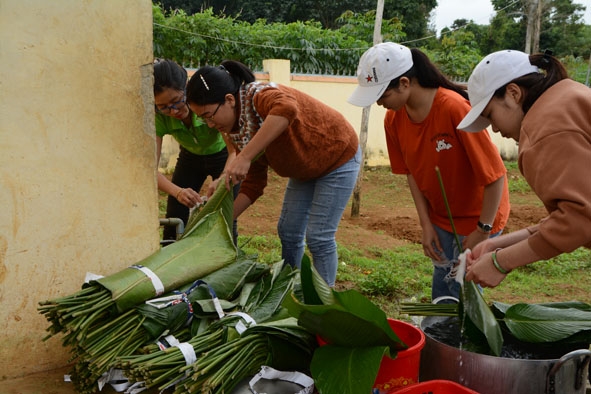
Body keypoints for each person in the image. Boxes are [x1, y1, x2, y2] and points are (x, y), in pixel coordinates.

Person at [348, 42, 510, 301]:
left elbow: (495, 175)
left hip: (478, 218)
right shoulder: (394, 119)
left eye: (382, 96)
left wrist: (483, 230)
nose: (378, 103)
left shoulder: (453, 108)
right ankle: (440, 337)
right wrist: (426, 224)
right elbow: (411, 173)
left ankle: (463, 341)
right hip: (440, 218)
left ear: (404, 83)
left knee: (464, 291)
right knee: (443, 280)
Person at [185, 60, 361, 286]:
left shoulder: (259, 94)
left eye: (210, 115)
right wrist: (222, 220)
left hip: (337, 157)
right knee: (288, 231)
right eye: (203, 119)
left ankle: (323, 303)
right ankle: (286, 286)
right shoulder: (235, 130)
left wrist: (244, 156)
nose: (209, 124)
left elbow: (287, 108)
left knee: (318, 237)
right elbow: (254, 184)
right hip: (305, 169)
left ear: (229, 100)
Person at [458, 49, 591, 288]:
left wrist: (501, 262)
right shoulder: (567, 96)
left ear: (513, 93)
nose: (495, 129)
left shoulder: (545, 130)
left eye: (491, 115)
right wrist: (501, 244)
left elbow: (579, 219)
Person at [153, 59, 239, 244]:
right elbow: (149, 171)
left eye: (177, 101)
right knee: (175, 213)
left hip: (223, 156)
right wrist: (178, 192)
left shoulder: (205, 103)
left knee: (226, 213)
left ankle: (227, 259)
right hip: (190, 158)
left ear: (187, 89)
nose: (173, 111)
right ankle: (169, 262)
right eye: (164, 107)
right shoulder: (158, 118)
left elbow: (234, 152)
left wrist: (224, 177)